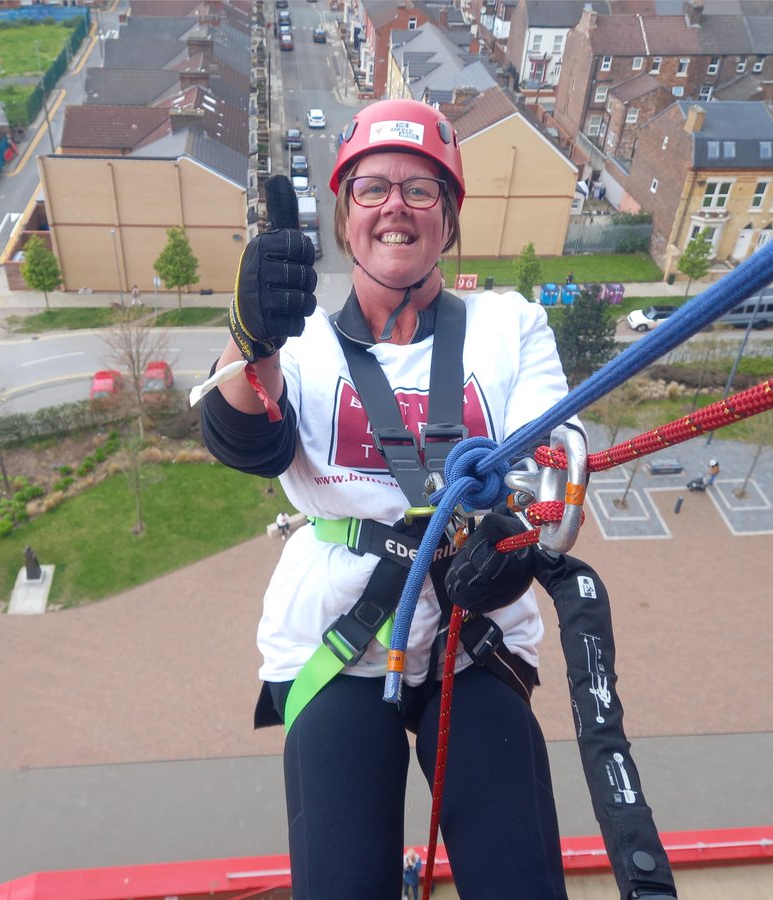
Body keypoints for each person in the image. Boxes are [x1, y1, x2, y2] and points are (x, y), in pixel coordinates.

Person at [200, 98, 581, 898]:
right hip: (335, 637)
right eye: (372, 189)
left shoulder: (510, 327)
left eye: (421, 190)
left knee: (521, 881)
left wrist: (513, 538)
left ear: (448, 218)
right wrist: (253, 339)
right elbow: (244, 439)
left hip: (472, 628)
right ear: (345, 216)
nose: (395, 208)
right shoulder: (298, 342)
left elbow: (552, 460)